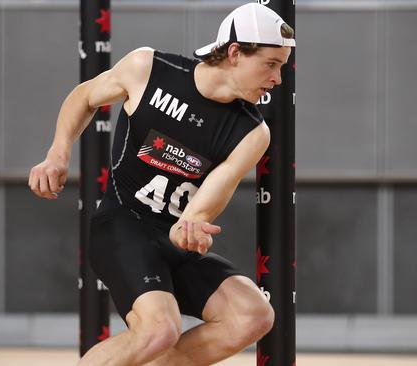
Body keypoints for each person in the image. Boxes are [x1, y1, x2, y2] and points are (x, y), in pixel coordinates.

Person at [29, 3, 294, 365]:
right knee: (160, 329)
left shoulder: (252, 131)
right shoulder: (148, 68)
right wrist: (58, 153)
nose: (278, 79)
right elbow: (85, 96)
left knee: (254, 315)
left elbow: (215, 191)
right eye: (271, 64)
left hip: (174, 242)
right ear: (235, 53)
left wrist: (194, 221)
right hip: (122, 227)